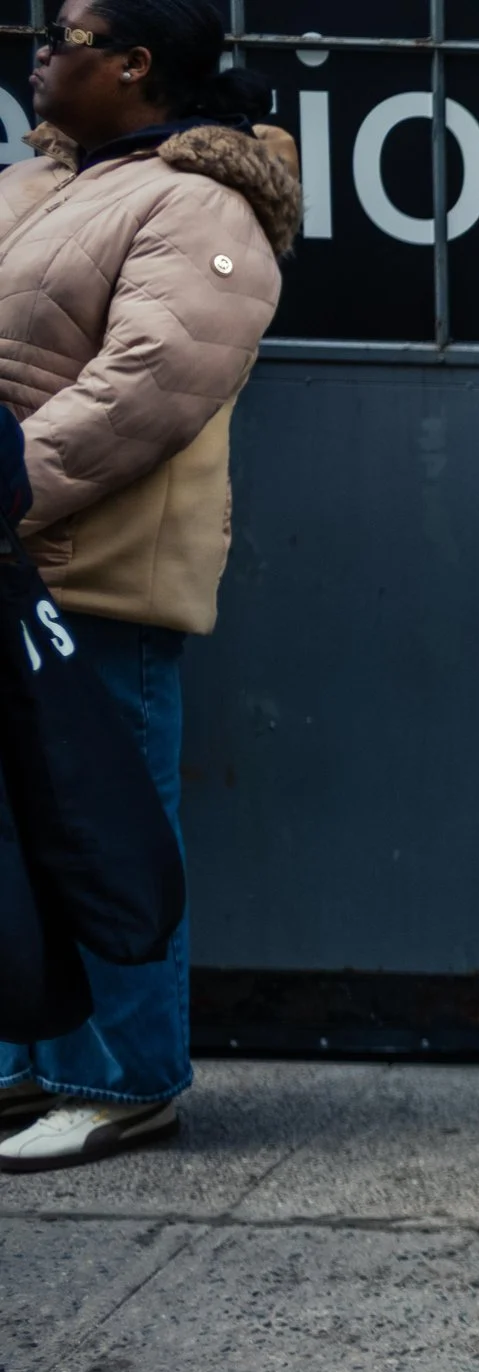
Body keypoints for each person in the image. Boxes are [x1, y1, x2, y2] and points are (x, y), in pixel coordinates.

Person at [0, 0, 297, 1172]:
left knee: (103, 827)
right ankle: (28, 1056)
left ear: (133, 65)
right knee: (21, 834)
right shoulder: (40, 185)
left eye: (63, 34)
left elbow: (155, 379)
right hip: (16, 557)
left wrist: (10, 481)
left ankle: (126, 1078)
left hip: (96, 569)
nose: (38, 52)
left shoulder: (201, 202)